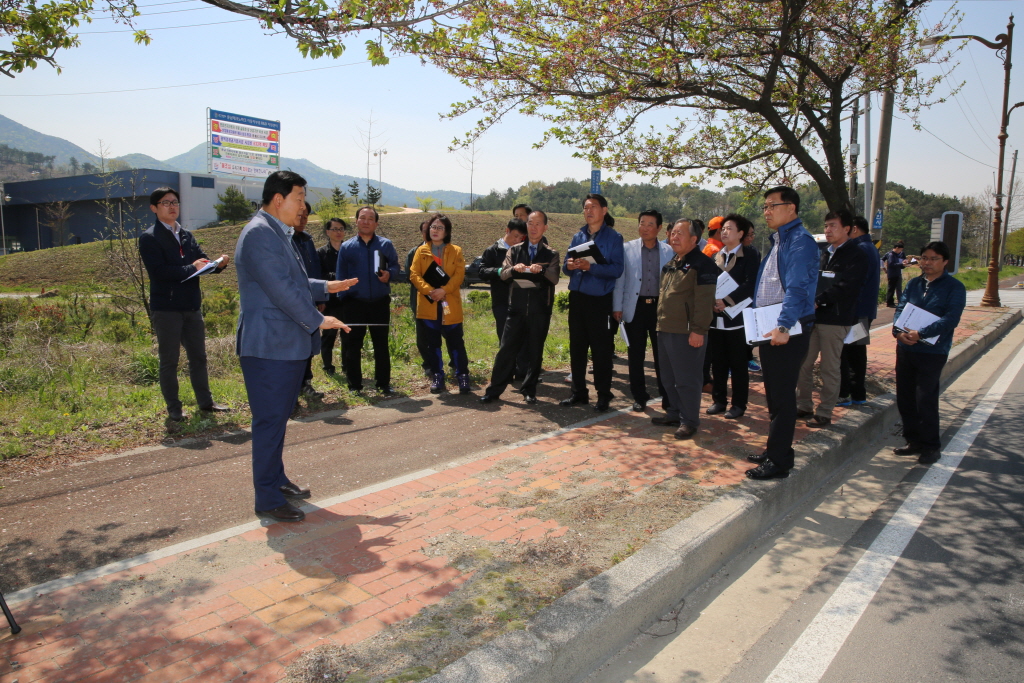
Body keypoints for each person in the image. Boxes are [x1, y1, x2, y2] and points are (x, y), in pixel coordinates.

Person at [234, 171, 351, 522]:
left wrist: (328, 287)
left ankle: (275, 479)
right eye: (299, 198)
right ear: (278, 199)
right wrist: (319, 320)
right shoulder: (259, 234)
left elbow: (295, 281)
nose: (303, 206)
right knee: (270, 422)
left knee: (278, 420)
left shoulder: (276, 232)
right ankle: (267, 498)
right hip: (269, 346)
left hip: (283, 345)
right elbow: (282, 291)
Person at [745, 186, 819, 481]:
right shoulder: (780, 241)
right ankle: (774, 449)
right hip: (771, 329)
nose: (767, 211)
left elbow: (798, 288)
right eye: (765, 206)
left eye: (772, 205)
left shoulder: (800, 242)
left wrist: (785, 326)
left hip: (787, 330)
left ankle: (779, 461)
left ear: (792, 208)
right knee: (774, 395)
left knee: (783, 396)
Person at [139, 187, 231, 422]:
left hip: (191, 305)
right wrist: (193, 268)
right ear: (154, 208)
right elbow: (158, 272)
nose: (172, 207)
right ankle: (174, 408)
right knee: (169, 360)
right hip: (167, 308)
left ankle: (206, 402)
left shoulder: (187, 235)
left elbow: (201, 260)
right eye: (166, 203)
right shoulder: (149, 238)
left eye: (175, 202)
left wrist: (217, 265)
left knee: (198, 357)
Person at [892, 242, 966, 465]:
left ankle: (931, 446)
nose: (927, 263)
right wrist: (898, 332)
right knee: (905, 398)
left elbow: (951, 319)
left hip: (932, 351)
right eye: (924, 258)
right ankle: (913, 441)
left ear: (945, 261)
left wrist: (921, 333)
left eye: (933, 259)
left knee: (925, 399)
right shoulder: (914, 283)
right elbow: (900, 308)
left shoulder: (954, 287)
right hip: (905, 348)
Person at [795, 209, 869, 427]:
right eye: (826, 226)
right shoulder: (825, 253)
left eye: (833, 225)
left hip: (836, 319)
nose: (827, 230)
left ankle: (825, 411)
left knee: (829, 367)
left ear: (848, 229)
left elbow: (847, 287)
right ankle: (804, 405)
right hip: (813, 317)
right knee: (804, 363)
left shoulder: (857, 255)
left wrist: (820, 300)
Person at [479, 210, 560, 404]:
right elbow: (504, 273)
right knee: (506, 350)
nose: (533, 227)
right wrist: (514, 269)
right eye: (530, 223)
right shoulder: (514, 251)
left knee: (534, 351)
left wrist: (541, 270)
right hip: (515, 308)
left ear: (545, 228)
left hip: (540, 309)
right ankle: (494, 390)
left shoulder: (551, 253)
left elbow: (555, 278)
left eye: (538, 224)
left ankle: (529, 390)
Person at [649, 220, 718, 439]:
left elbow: (704, 302)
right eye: (672, 234)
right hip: (665, 328)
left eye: (680, 234)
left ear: (694, 239)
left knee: (687, 380)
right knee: (668, 378)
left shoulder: (702, 264)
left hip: (687, 333)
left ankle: (689, 421)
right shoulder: (672, 263)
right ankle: (674, 413)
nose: (674, 237)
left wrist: (699, 330)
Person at [561, 194, 625, 412]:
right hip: (578, 298)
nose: (589, 211)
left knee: (601, 350)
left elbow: (617, 269)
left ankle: (603, 395)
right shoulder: (578, 235)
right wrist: (569, 265)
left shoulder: (614, 238)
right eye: (586, 207)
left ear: (604, 210)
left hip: (600, 301)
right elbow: (565, 266)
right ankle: (578, 392)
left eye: (593, 207)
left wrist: (591, 268)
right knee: (577, 348)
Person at [612, 209, 674, 412]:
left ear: (658, 228)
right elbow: (620, 280)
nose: (645, 228)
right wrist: (617, 307)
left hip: (660, 308)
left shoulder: (668, 251)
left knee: (662, 356)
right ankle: (639, 396)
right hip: (635, 307)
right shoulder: (626, 248)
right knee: (635, 355)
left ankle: (667, 397)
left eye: (650, 224)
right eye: (642, 223)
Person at [336, 206, 400, 394]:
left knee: (381, 344)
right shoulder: (347, 247)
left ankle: (383, 383)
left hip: (379, 302)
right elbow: (341, 276)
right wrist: (343, 300)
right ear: (356, 221)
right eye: (362, 218)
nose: (366, 221)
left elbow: (396, 267)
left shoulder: (385, 245)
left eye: (370, 218)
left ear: (376, 223)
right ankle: (354, 385)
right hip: (354, 302)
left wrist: (390, 274)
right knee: (352, 346)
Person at [409, 213, 471, 394]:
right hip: (429, 304)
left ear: (447, 231)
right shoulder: (421, 251)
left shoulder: (456, 251)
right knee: (432, 344)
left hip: (449, 302)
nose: (435, 230)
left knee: (456, 342)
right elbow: (414, 275)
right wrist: (430, 291)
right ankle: (438, 375)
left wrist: (444, 290)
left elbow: (459, 275)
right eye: (433, 227)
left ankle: (462, 375)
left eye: (440, 227)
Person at [707, 214, 761, 419]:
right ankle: (719, 400)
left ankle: (739, 404)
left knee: (738, 363)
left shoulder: (750, 255)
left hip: (737, 317)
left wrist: (728, 300)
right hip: (716, 316)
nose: (724, 232)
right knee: (718, 362)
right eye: (723, 228)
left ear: (741, 233)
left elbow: (751, 283)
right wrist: (712, 301)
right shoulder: (717, 256)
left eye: (730, 228)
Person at [838, 215, 881, 406]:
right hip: (864, 310)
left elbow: (855, 283)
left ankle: (846, 394)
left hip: (855, 311)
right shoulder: (870, 247)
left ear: (853, 229)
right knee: (856, 353)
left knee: (847, 353)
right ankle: (858, 395)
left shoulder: (859, 249)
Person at [292, 201, 325, 400]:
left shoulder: (307, 240)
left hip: (309, 301)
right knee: (294, 346)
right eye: (300, 216)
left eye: (306, 217)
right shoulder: (284, 241)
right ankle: (293, 389)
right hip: (292, 302)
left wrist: (320, 298)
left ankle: (305, 382)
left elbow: (314, 272)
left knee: (309, 344)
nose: (303, 220)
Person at [479, 219, 527, 341]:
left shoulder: (522, 251)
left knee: (520, 338)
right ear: (507, 231)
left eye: (521, 238)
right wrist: (500, 271)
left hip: (519, 301)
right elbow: (482, 272)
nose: (517, 240)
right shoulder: (493, 250)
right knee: (505, 338)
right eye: (515, 236)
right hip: (501, 301)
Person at [317, 217, 347, 374]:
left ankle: (346, 365)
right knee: (329, 335)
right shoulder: (321, 253)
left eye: (341, 229)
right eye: (335, 229)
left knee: (347, 335)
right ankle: (328, 366)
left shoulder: (349, 250)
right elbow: (319, 276)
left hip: (347, 299)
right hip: (330, 301)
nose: (338, 232)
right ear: (328, 232)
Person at [407, 220, 432, 376]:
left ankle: (454, 363)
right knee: (422, 335)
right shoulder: (414, 252)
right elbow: (411, 276)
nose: (428, 233)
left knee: (450, 332)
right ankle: (428, 364)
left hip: (443, 297)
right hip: (421, 298)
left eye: (432, 229)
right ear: (421, 232)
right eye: (425, 230)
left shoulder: (447, 250)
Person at [883, 240, 909, 307]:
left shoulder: (897, 255)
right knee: (891, 289)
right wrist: (901, 264)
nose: (900, 251)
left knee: (897, 288)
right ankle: (889, 303)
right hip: (892, 274)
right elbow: (891, 264)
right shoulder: (891, 255)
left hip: (897, 273)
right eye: (900, 250)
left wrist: (903, 264)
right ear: (896, 248)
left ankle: (897, 301)